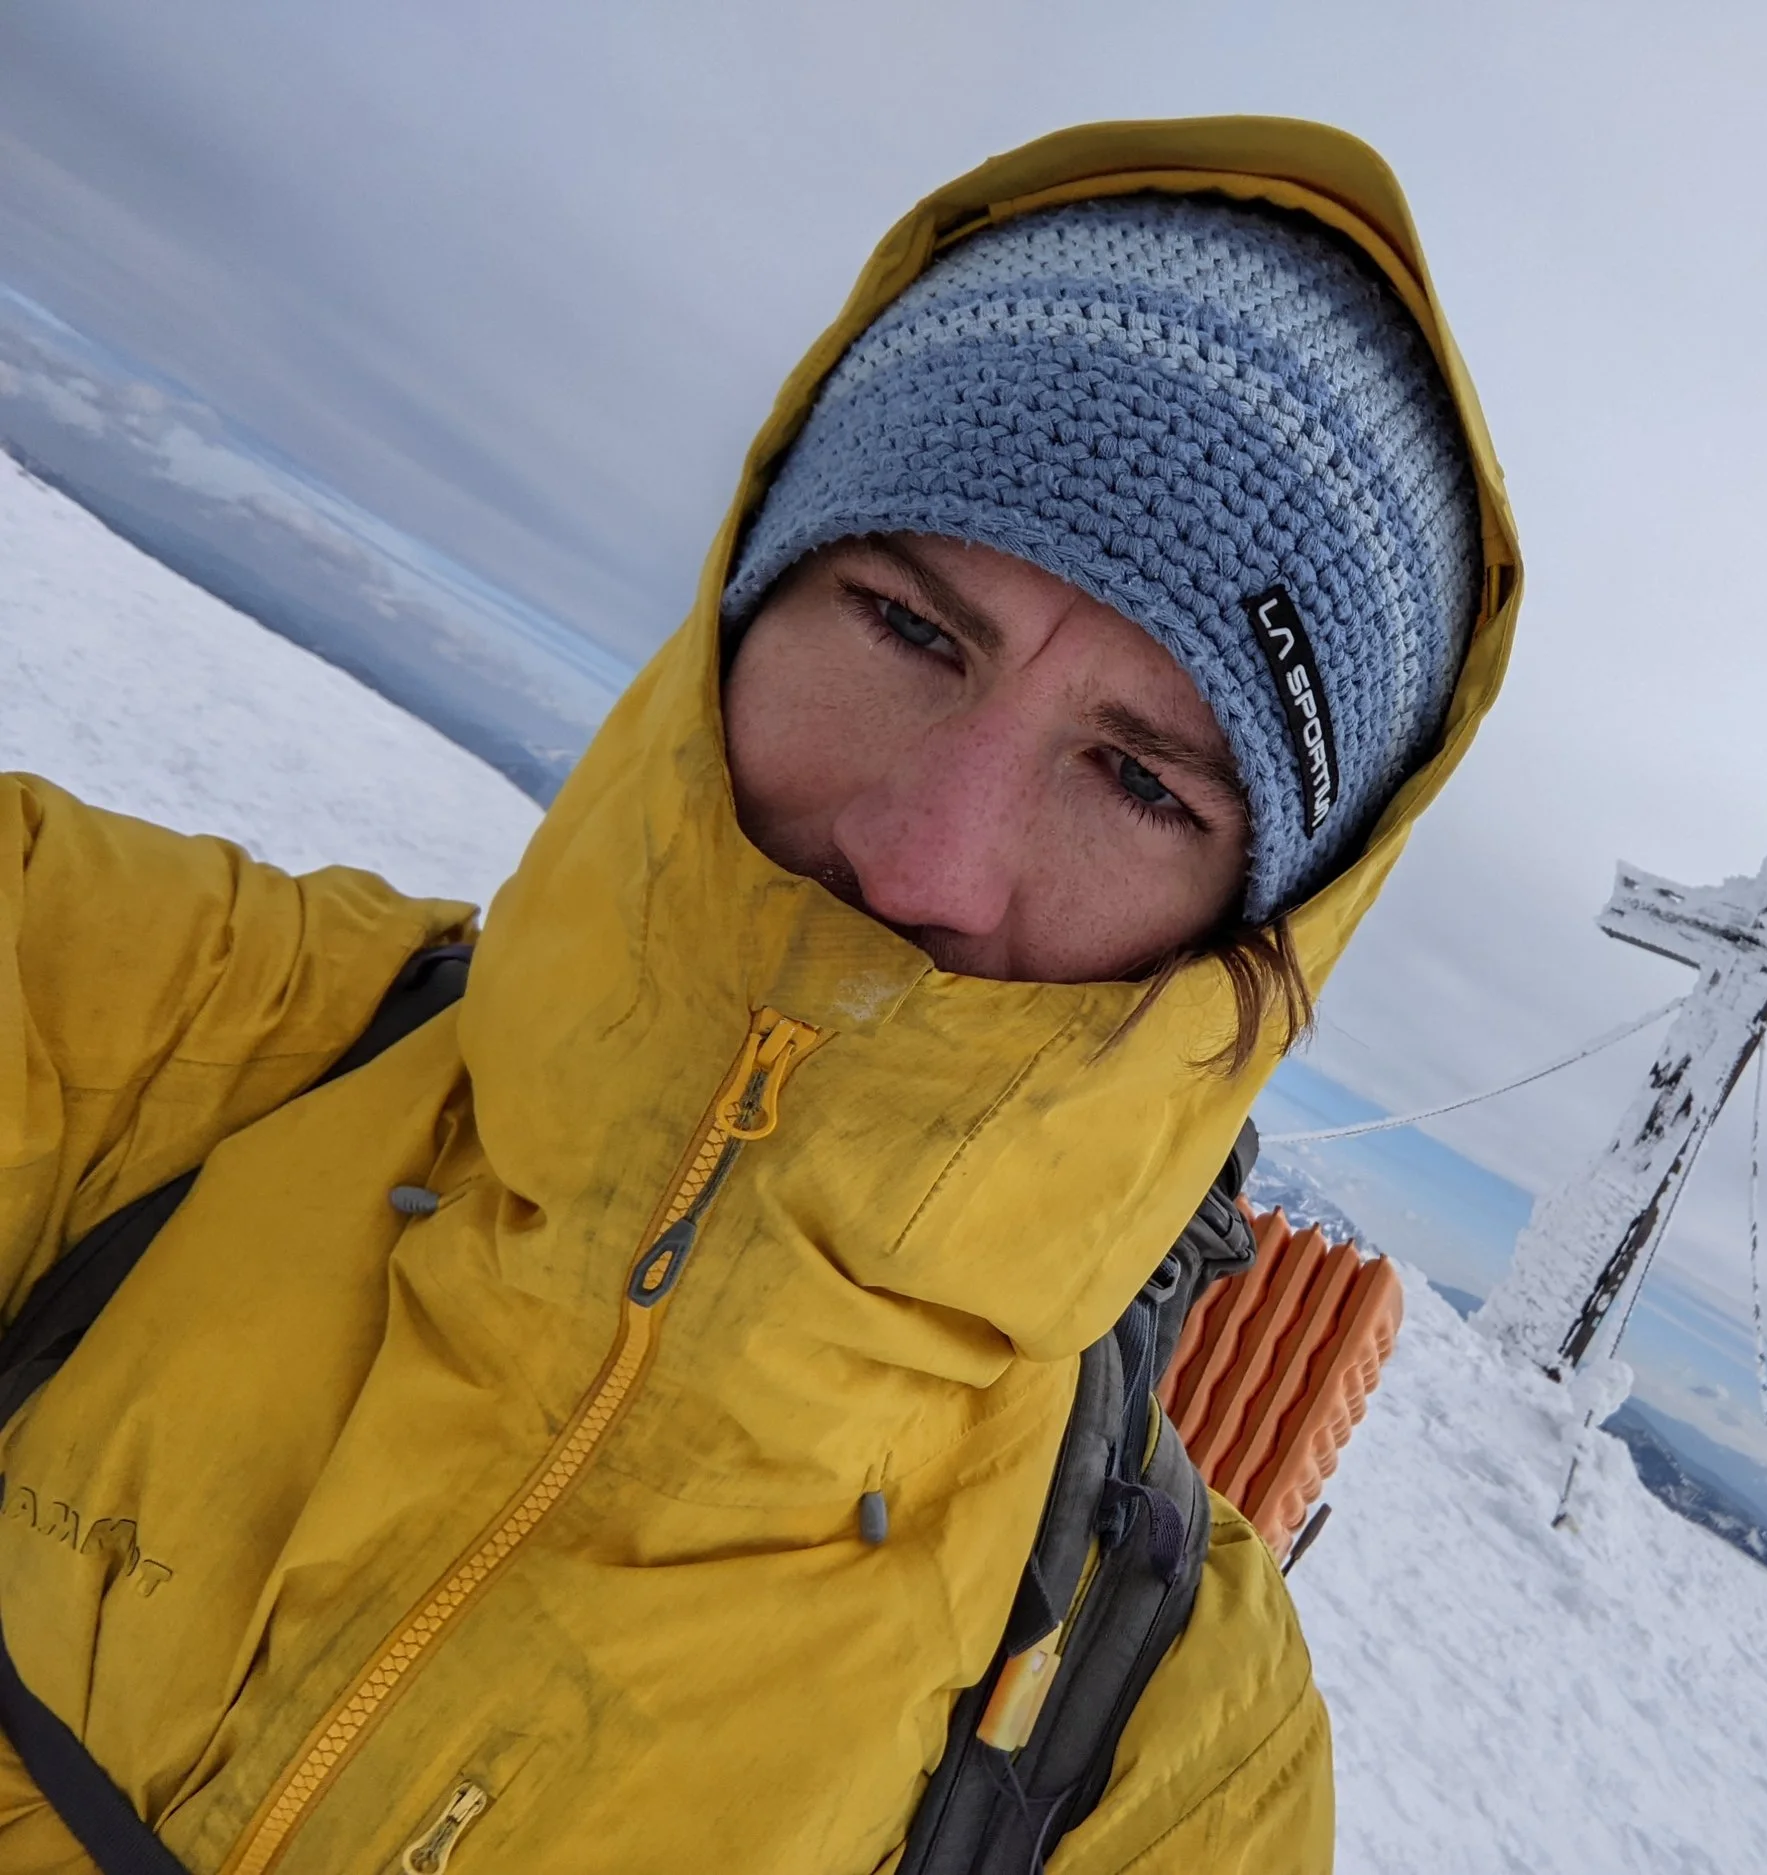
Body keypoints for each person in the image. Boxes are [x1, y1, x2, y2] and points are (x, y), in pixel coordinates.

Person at [0, 116, 1522, 1873]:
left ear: (1250, 936)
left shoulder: (1180, 1762)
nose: (922, 861)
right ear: (744, 601)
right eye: (905, 626)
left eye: (1144, 783)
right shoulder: (156, 1019)